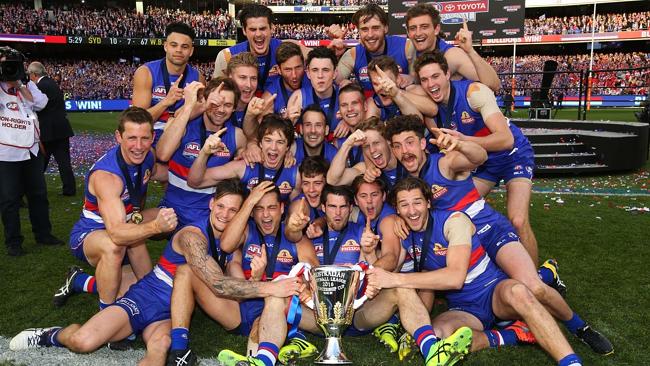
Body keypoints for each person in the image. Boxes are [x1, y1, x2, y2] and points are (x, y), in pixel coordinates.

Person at [10, 181, 302, 366]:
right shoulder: (192, 236)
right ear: (212, 204)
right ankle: (53, 335)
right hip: (147, 298)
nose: (225, 214)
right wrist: (270, 288)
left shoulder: (231, 236)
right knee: (84, 342)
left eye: (233, 210)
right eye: (221, 206)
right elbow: (218, 284)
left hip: (173, 313)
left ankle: (171, 345)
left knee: (159, 351)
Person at [219, 186, 474, 366]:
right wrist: (306, 287)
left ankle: (433, 352)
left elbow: (387, 261)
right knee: (276, 294)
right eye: (332, 207)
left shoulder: (362, 233)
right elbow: (307, 264)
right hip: (318, 315)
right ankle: (264, 361)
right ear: (323, 208)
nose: (338, 213)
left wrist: (373, 268)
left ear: (351, 208)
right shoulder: (310, 234)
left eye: (343, 207)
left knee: (401, 287)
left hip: (360, 314)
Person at [368, 177, 588, 366]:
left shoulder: (454, 221)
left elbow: (455, 278)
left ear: (428, 203)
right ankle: (510, 334)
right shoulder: (402, 229)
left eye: (417, 202)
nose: (412, 210)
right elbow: (391, 257)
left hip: (493, 291)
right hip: (463, 307)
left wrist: (394, 279)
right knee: (436, 337)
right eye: (404, 205)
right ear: (397, 209)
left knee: (522, 292)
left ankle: (571, 358)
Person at [415, 51, 540, 264]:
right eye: (424, 80)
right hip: (481, 162)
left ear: (447, 74)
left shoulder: (474, 91)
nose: (430, 84)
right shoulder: (431, 110)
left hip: (512, 155)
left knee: (518, 221)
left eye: (435, 76)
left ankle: (536, 277)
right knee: (458, 209)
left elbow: (505, 139)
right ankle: (477, 266)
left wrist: (465, 140)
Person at [60, 107, 177, 311]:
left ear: (152, 137)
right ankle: (108, 314)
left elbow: (162, 173)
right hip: (93, 234)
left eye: (144, 138)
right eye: (131, 138)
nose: (138, 146)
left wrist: (201, 176)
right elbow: (116, 233)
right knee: (114, 247)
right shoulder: (107, 177)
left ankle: (79, 281)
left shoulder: (147, 155)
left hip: (127, 222)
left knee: (170, 215)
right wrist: (156, 227)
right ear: (118, 137)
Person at [156, 78, 246, 227]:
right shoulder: (184, 126)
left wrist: (250, 149)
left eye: (228, 105)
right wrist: (189, 106)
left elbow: (247, 157)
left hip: (206, 215)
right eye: (215, 103)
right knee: (134, 226)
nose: (221, 109)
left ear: (234, 108)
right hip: (171, 210)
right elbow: (162, 154)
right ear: (205, 101)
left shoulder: (237, 136)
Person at [0, 46, 63, 257]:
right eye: (5, 64)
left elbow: (41, 103)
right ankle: (13, 241)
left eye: (13, 64)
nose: (9, 68)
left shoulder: (25, 84)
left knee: (38, 194)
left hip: (31, 150)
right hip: (5, 152)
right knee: (9, 199)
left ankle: (43, 233)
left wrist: (20, 82)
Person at [187, 114, 300, 203]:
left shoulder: (295, 175)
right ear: (260, 143)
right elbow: (195, 182)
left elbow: (293, 211)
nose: (274, 147)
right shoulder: (244, 166)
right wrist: (204, 154)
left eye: (280, 142)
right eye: (268, 140)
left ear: (287, 147)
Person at [132, 22, 205, 147]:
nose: (179, 50)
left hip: (182, 138)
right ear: (165, 46)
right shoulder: (146, 72)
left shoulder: (198, 78)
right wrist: (166, 101)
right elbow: (137, 121)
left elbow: (199, 113)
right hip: (150, 136)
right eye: (174, 45)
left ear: (191, 51)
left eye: (185, 46)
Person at [404, 3, 500, 92]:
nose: (418, 33)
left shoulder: (452, 55)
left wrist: (470, 51)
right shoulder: (409, 50)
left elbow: (494, 85)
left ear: (436, 29)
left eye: (424, 27)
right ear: (408, 33)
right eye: (413, 28)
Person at [333, 4, 417, 97]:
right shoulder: (353, 54)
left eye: (375, 28)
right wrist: (333, 56)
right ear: (359, 31)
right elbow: (334, 81)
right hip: (370, 107)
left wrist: (412, 79)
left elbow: (423, 80)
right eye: (364, 29)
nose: (370, 35)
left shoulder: (406, 47)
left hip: (402, 105)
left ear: (385, 28)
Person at [27, 61, 76, 196]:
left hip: (48, 130)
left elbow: (37, 106)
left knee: (40, 162)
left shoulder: (40, 86)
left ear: (34, 74)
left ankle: (31, 188)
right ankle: (69, 189)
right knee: (64, 161)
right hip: (62, 128)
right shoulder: (52, 83)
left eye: (29, 74)